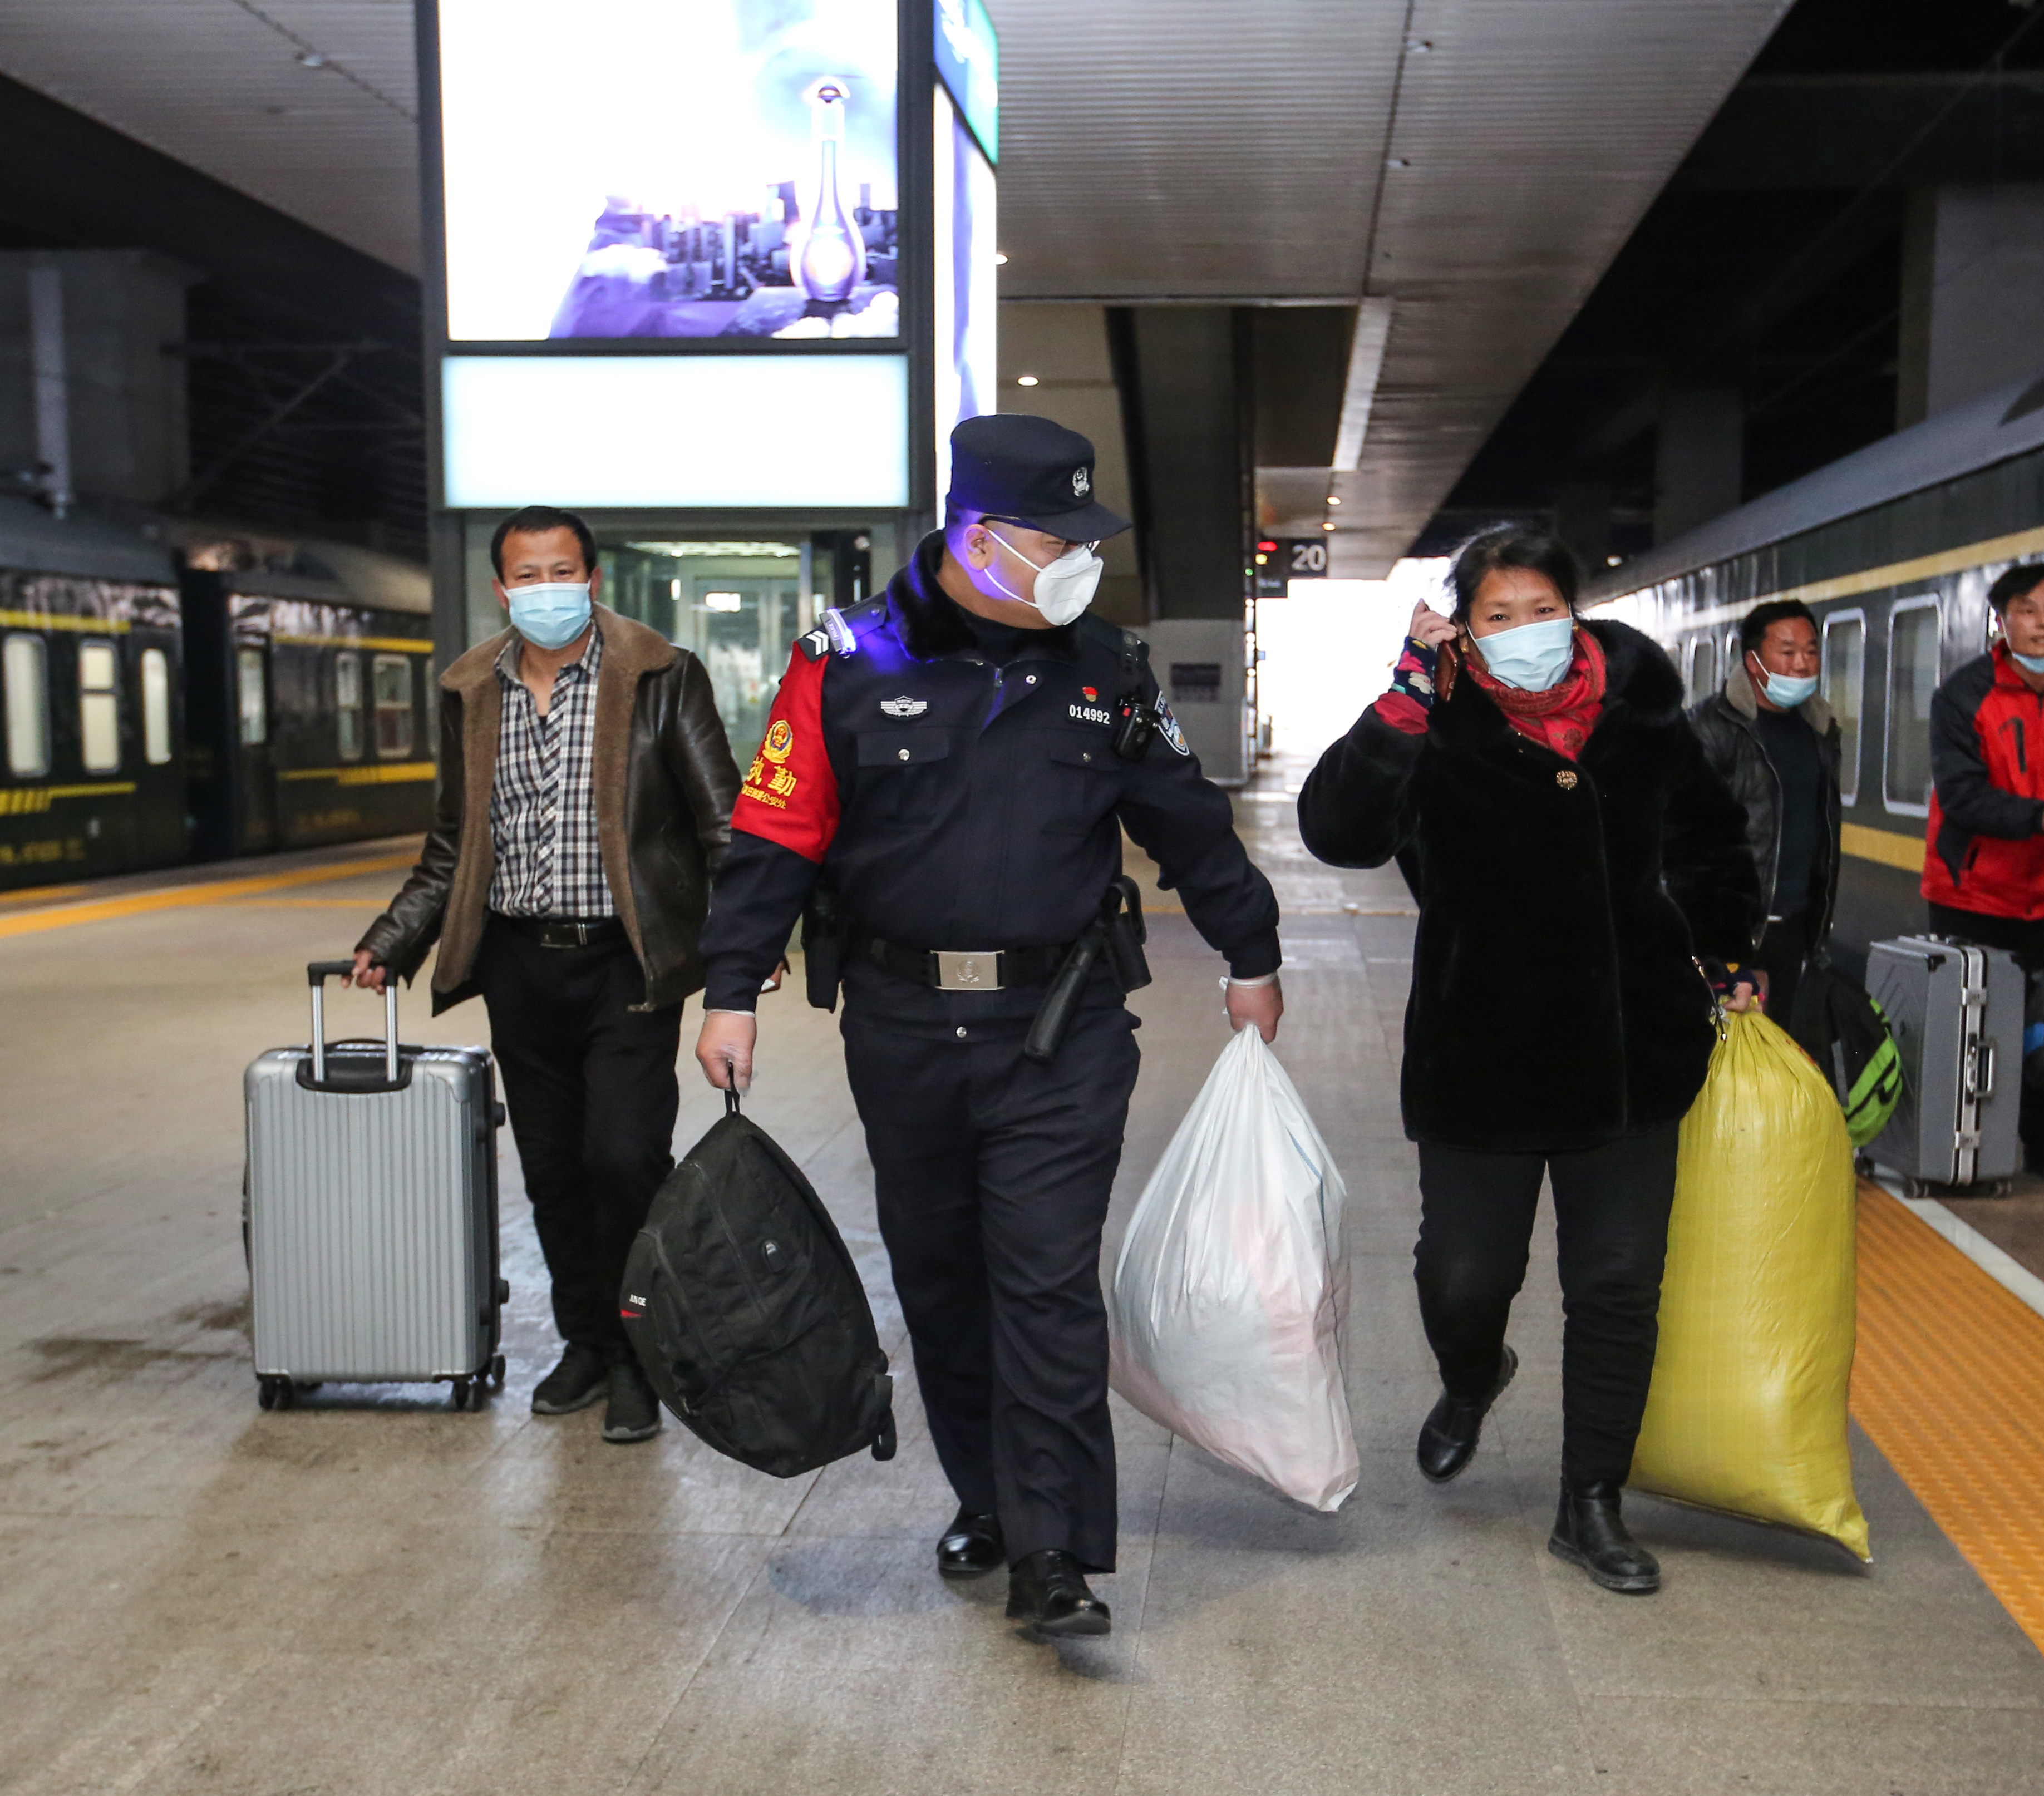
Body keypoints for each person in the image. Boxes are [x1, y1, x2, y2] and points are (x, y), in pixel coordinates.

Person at [690, 413, 1283, 1640]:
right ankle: (991, 1503)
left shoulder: (1106, 669)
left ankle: (1054, 1551)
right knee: (946, 1284)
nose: (1079, 559)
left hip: (1057, 1032)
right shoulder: (842, 658)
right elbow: (776, 834)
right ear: (978, 537)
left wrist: (1252, 950)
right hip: (901, 1026)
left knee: (1047, 1285)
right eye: (1054, 537)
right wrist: (733, 987)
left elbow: (1188, 823)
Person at [1298, 524, 1760, 1597]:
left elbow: (1709, 834)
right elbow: (1336, 831)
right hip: (1482, 1055)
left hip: (1631, 1053)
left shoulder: (1641, 702)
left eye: (1541, 608)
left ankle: (1588, 1500)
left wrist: (1727, 946)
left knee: (1615, 1286)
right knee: (1463, 1276)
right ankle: (1472, 1374)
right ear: (1461, 627)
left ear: (1576, 608)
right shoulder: (1434, 720)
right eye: (1496, 617)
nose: (1524, 633)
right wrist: (1407, 696)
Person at [351, 505, 738, 1444]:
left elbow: (724, 819)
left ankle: (643, 1355)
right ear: (501, 588)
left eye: (562, 569)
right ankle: (588, 1343)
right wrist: (393, 938)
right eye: (528, 574)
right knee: (555, 1168)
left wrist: (742, 951)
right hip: (521, 963)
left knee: (623, 1155)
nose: (547, 587)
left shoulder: (659, 676)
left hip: (627, 962)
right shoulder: (469, 689)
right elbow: (452, 841)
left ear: (593, 577)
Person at [1923, 561, 2044, 1187]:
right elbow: (1962, 797)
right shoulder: (1964, 694)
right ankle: (1964, 1147)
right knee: (1973, 1022)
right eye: (2029, 610)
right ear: (2002, 621)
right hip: (1973, 890)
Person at [1687, 598, 1842, 1021]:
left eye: (1811, 651)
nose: (1802, 664)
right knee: (1723, 1057)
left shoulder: (1820, 730)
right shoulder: (1710, 729)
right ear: (1753, 662)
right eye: (1788, 652)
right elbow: (1689, 849)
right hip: (1733, 932)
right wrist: (1726, 956)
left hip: (1792, 928)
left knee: (1773, 1060)